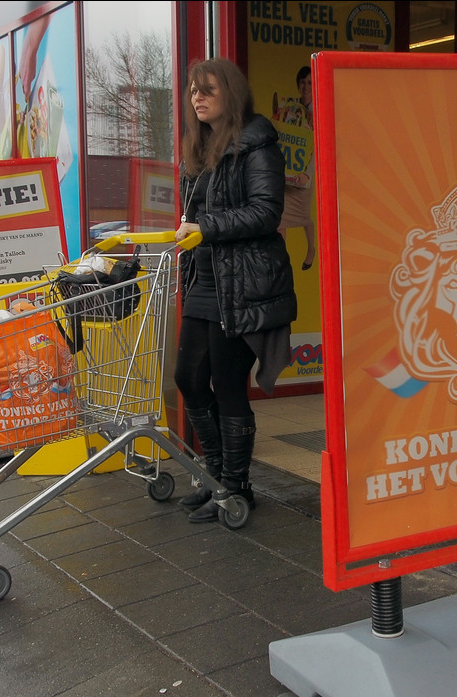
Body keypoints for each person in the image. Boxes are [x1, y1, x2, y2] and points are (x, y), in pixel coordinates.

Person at [174, 58, 297, 524]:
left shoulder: (256, 142)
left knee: (227, 385)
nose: (197, 98)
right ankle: (214, 477)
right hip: (205, 281)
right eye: (192, 91)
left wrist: (206, 227)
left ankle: (234, 487)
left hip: (243, 284)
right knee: (188, 378)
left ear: (231, 94)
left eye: (207, 90)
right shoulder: (198, 147)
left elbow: (266, 212)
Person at [273, 65, 316, 270]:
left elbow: (319, 148)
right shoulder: (291, 108)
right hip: (289, 169)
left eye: (309, 82)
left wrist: (308, 175)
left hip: (305, 171)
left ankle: (311, 249)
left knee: (304, 215)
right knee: (282, 217)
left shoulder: (319, 110)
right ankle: (282, 257)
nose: (306, 86)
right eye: (303, 82)